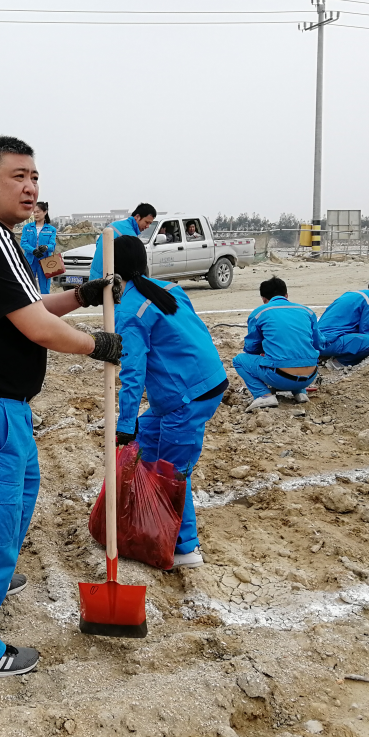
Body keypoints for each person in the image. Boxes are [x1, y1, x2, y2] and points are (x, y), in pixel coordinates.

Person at [0, 135, 123, 681]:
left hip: (3, 406)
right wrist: (95, 344)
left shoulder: (1, 237)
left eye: (35, 177)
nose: (30, 186)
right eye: (18, 176)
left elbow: (30, 305)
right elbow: (36, 328)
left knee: (17, 502)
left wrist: (82, 296)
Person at [114, 235, 228, 570]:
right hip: (201, 381)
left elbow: (133, 373)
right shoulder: (167, 289)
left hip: (187, 397)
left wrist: (123, 424)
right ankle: (143, 513)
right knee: (145, 438)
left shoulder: (131, 311)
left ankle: (186, 548)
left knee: (173, 471)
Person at [233, 276, 323, 411]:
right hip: (310, 375)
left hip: (279, 376)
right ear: (286, 295)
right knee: (296, 353)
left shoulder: (260, 313)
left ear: (264, 299)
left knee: (239, 360)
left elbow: (251, 348)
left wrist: (265, 351)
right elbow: (318, 344)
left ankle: (263, 396)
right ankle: (300, 393)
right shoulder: (307, 312)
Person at [87, 203, 157, 280]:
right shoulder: (130, 235)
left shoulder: (114, 225)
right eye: (147, 222)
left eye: (150, 224)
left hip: (94, 277)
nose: (147, 226)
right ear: (137, 217)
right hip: (107, 280)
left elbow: (98, 244)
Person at [20, 201, 58, 294]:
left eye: (38, 212)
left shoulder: (51, 229)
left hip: (45, 261)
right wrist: (33, 251)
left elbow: (52, 245)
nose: (36, 214)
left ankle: (45, 307)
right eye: (34, 212)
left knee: (45, 288)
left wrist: (46, 247)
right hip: (30, 260)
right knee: (29, 287)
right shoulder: (27, 227)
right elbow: (23, 243)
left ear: (45, 212)